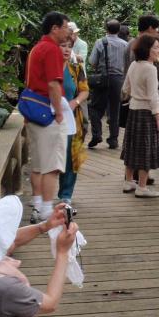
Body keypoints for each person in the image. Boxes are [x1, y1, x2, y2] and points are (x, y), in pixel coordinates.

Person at [25, 12, 69, 224]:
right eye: (65, 27)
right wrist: (59, 113)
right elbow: (53, 84)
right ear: (55, 28)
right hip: (47, 113)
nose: (67, 31)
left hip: (33, 111)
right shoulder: (52, 50)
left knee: (38, 164)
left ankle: (38, 206)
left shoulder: (36, 48)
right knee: (52, 166)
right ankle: (46, 212)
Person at [121, 34, 159, 198]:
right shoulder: (150, 68)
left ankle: (128, 181)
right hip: (146, 112)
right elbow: (153, 96)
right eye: (155, 47)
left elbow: (125, 88)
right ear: (147, 50)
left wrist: (134, 94)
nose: (158, 50)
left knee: (132, 146)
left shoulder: (134, 64)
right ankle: (142, 186)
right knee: (145, 149)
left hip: (133, 110)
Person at [57, 33, 89, 207]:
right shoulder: (48, 67)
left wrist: (75, 102)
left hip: (72, 119)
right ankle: (42, 198)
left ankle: (66, 194)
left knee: (71, 156)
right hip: (50, 119)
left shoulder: (75, 68)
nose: (67, 49)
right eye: (63, 45)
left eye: (69, 46)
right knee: (53, 156)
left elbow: (84, 90)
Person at [87, 19, 128, 149]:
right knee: (115, 109)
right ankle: (113, 140)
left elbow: (92, 62)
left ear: (106, 29)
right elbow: (128, 64)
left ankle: (97, 134)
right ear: (118, 30)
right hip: (118, 80)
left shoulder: (100, 42)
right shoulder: (125, 45)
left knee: (94, 107)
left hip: (102, 79)